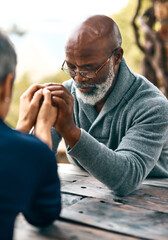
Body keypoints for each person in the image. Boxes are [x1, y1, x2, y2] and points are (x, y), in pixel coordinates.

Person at [27, 15, 168, 197]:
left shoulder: (152, 106)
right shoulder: (67, 94)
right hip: (83, 192)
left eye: (89, 69)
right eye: (71, 67)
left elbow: (127, 178)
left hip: (154, 199)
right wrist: (31, 122)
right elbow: (33, 166)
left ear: (117, 57)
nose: (78, 78)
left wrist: (71, 131)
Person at [0, 30, 61, 240]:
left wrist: (24, 125)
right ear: (6, 85)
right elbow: (42, 215)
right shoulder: (30, 154)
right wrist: (42, 128)